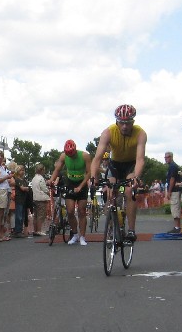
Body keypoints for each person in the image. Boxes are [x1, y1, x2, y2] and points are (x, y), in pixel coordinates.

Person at [89, 104, 147, 241]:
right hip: (115, 164)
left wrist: (136, 178)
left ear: (133, 121)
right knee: (110, 188)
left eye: (128, 123)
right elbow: (97, 159)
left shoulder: (140, 133)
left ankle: (131, 230)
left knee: (128, 191)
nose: (125, 126)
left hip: (131, 164)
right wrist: (93, 178)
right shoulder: (108, 132)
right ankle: (112, 224)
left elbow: (140, 159)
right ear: (117, 121)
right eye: (121, 122)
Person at [50, 139, 92, 245]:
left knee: (82, 211)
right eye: (69, 155)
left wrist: (81, 186)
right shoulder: (64, 156)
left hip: (81, 183)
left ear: (75, 149)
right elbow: (57, 170)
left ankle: (82, 236)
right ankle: (75, 234)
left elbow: (89, 173)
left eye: (72, 154)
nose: (71, 156)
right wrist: (51, 180)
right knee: (70, 211)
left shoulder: (84, 156)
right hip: (70, 183)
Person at [164, 152, 182, 232]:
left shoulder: (173, 166)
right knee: (174, 208)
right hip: (175, 190)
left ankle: (177, 227)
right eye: (165, 157)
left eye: (167, 157)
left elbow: (172, 179)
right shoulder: (172, 166)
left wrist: (169, 191)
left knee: (175, 208)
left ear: (171, 157)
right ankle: (176, 226)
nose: (166, 159)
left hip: (174, 190)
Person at [30, 163, 50, 236]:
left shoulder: (34, 178)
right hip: (41, 198)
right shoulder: (41, 178)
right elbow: (44, 188)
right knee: (41, 215)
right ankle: (39, 230)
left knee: (36, 215)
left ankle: (35, 230)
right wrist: (48, 192)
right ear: (42, 170)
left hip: (35, 198)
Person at [12, 165, 30, 237]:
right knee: (18, 215)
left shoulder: (24, 180)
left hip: (24, 199)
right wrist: (27, 188)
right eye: (21, 170)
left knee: (22, 215)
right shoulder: (17, 180)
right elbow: (22, 188)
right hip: (19, 199)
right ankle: (17, 231)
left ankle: (20, 229)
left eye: (23, 170)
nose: (22, 172)